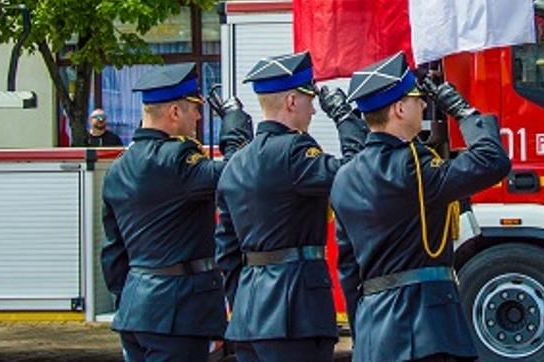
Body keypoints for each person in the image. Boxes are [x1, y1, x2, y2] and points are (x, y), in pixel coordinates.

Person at [330, 53, 510, 362]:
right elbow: (492, 161)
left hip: (375, 330)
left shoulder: (344, 177)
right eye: (417, 99)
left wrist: (363, 329)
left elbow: (348, 269)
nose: (425, 106)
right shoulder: (413, 166)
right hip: (426, 328)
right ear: (399, 109)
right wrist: (464, 112)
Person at [216, 53, 367, 362]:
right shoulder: (296, 151)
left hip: (249, 314)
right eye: (309, 100)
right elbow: (358, 172)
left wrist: (243, 300)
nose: (313, 109)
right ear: (291, 101)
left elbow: (226, 250)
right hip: (295, 312)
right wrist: (344, 117)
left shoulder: (237, 162)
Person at [100, 64, 253, 362]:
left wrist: (129, 300)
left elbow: (113, 252)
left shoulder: (119, 166)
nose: (198, 117)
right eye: (193, 109)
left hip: (136, 309)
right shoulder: (177, 159)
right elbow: (236, 173)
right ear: (173, 112)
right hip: (177, 312)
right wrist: (234, 124)